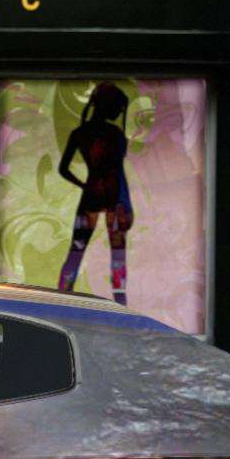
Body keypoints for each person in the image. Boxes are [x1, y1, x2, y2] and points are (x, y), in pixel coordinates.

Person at [55, 82, 134, 303]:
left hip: (91, 196)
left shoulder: (79, 133)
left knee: (76, 251)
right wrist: (126, 205)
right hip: (115, 198)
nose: (118, 113)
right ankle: (120, 304)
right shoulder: (115, 133)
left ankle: (61, 299)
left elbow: (63, 169)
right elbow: (118, 172)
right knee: (118, 256)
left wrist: (83, 185)